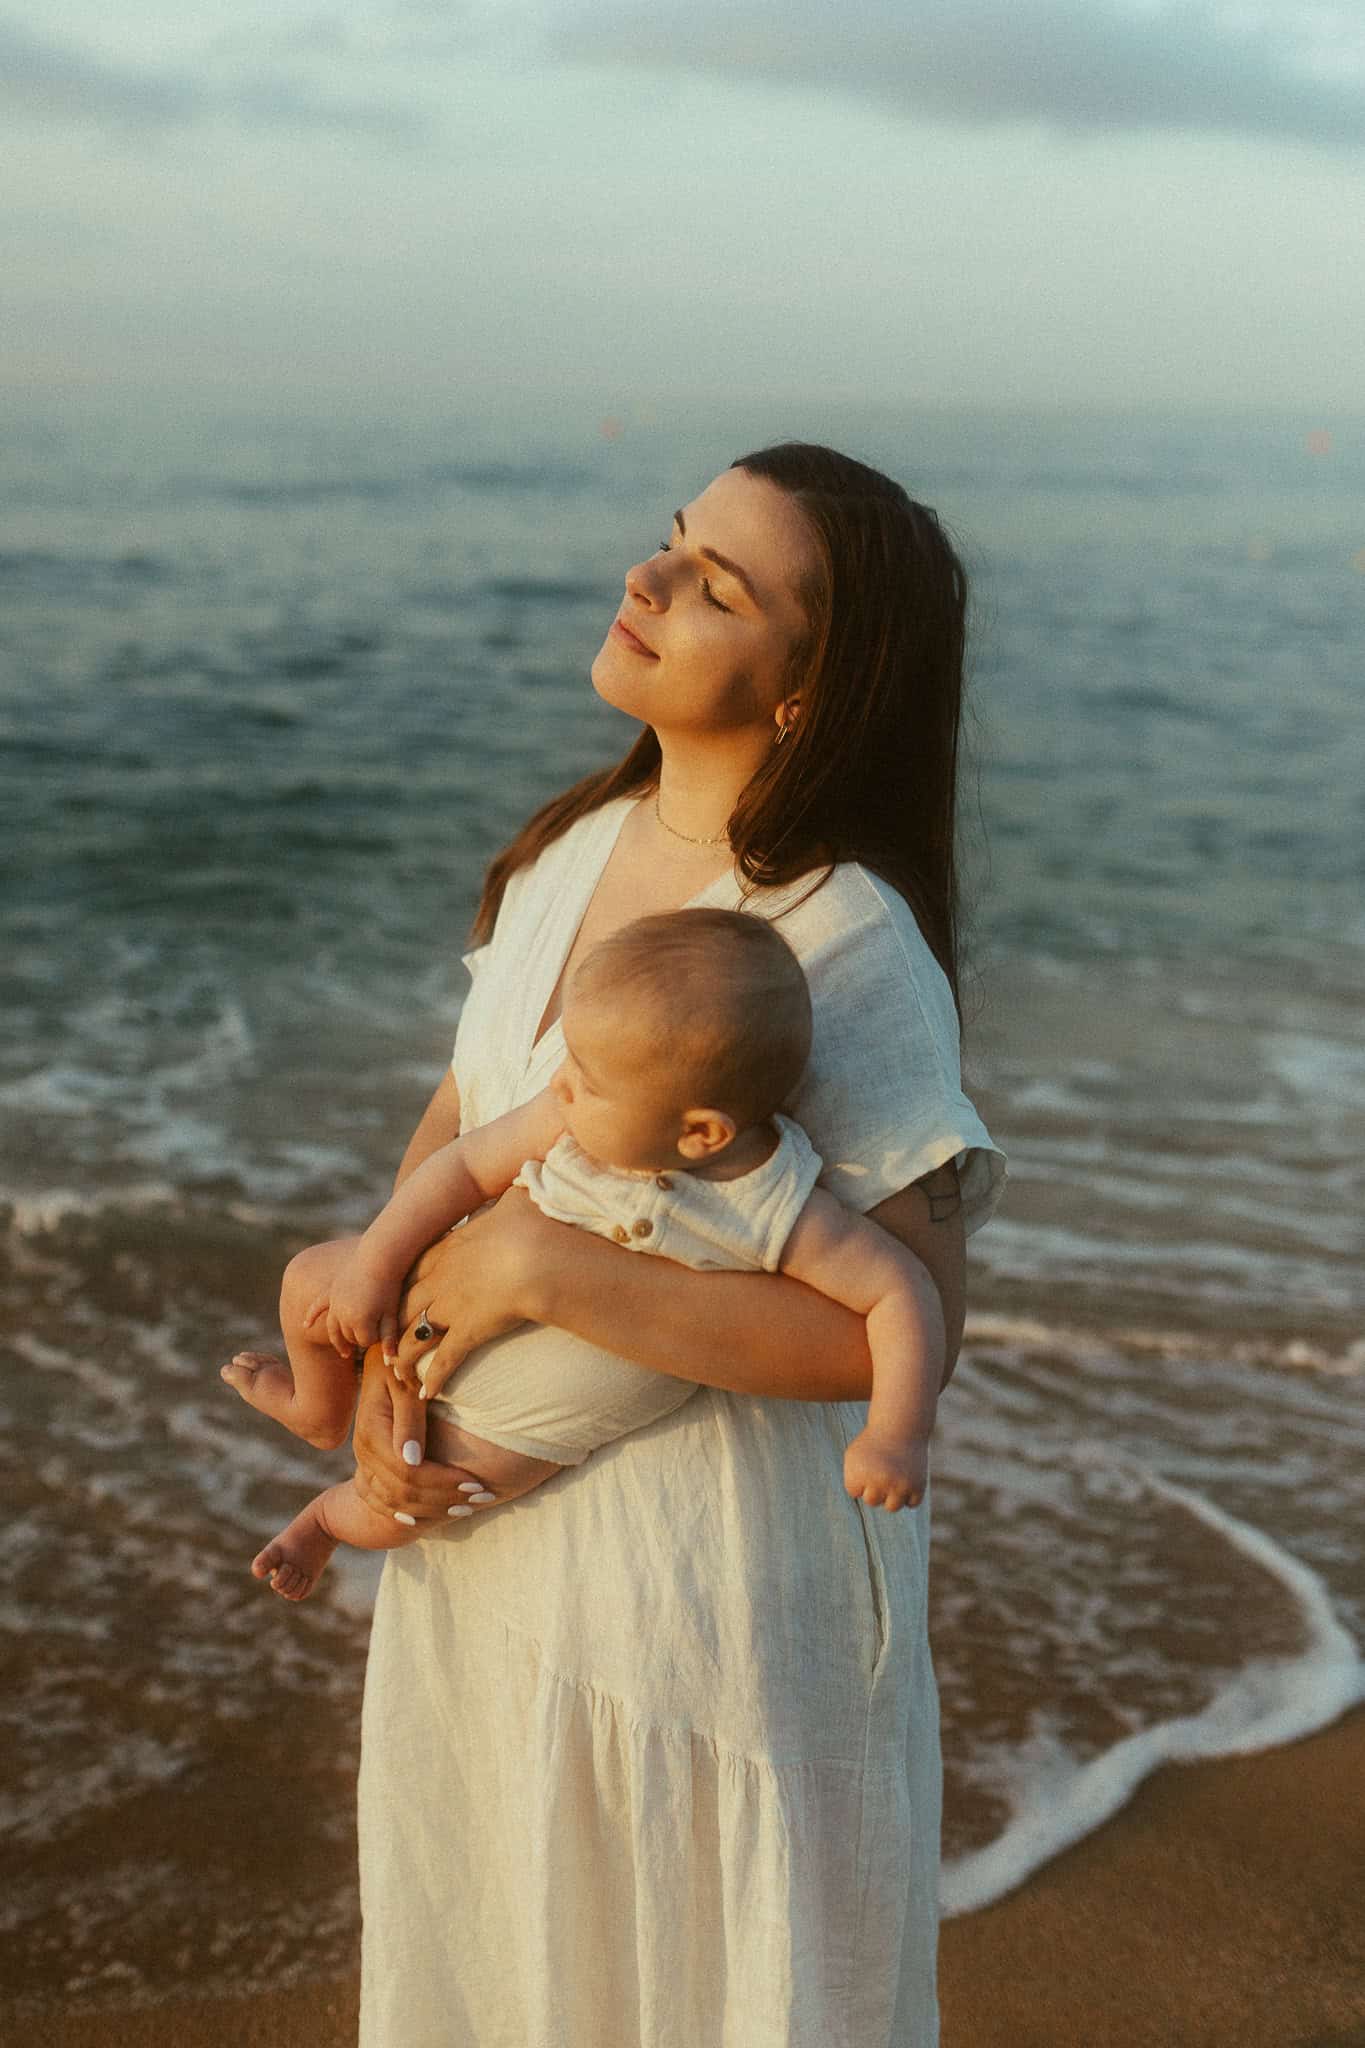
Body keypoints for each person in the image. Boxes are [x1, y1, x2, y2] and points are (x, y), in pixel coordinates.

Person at [338, 444, 1004, 2045]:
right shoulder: (578, 846)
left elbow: (891, 1325)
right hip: (498, 1572)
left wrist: (547, 1273)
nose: (647, 582)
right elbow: (476, 1094)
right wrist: (386, 1354)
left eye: (717, 585)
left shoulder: (843, 941)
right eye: (669, 545)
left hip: (705, 1622)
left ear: (810, 687)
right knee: (507, 1969)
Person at [228, 908, 947, 1600]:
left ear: (702, 1134)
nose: (560, 1084)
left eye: (587, 1082)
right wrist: (377, 1264)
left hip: (533, 1419)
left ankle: (323, 1517)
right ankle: (318, 1408)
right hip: (450, 1290)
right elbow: (460, 1169)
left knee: (408, 1504)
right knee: (309, 1279)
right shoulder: (569, 1115)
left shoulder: (772, 1204)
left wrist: (895, 1435)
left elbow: (899, 1293)